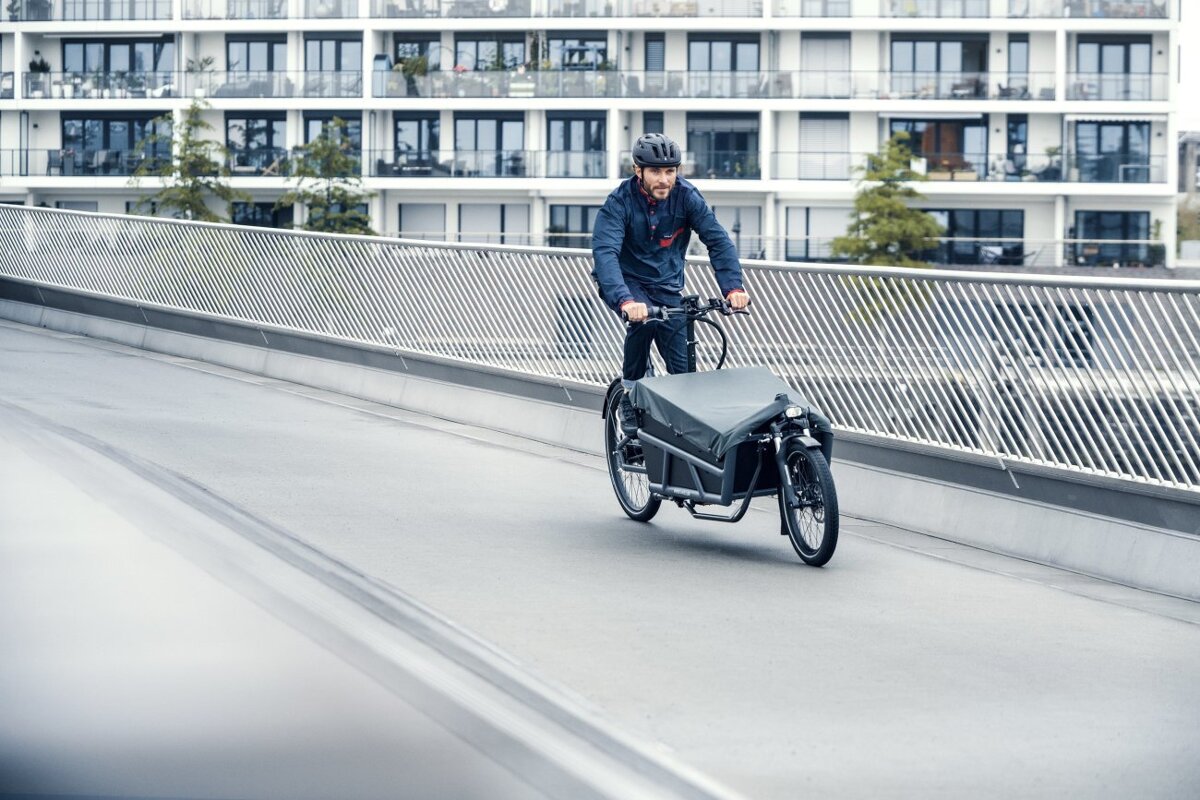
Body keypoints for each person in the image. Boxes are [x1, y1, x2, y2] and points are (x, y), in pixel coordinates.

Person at [591, 132, 750, 433]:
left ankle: (681, 443)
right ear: (638, 171)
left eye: (670, 171)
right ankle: (629, 389)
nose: (664, 179)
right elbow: (606, 254)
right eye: (655, 172)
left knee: (685, 375)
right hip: (628, 282)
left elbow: (717, 241)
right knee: (645, 322)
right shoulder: (618, 203)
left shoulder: (687, 197)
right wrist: (625, 300)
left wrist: (733, 289)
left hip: (666, 285)